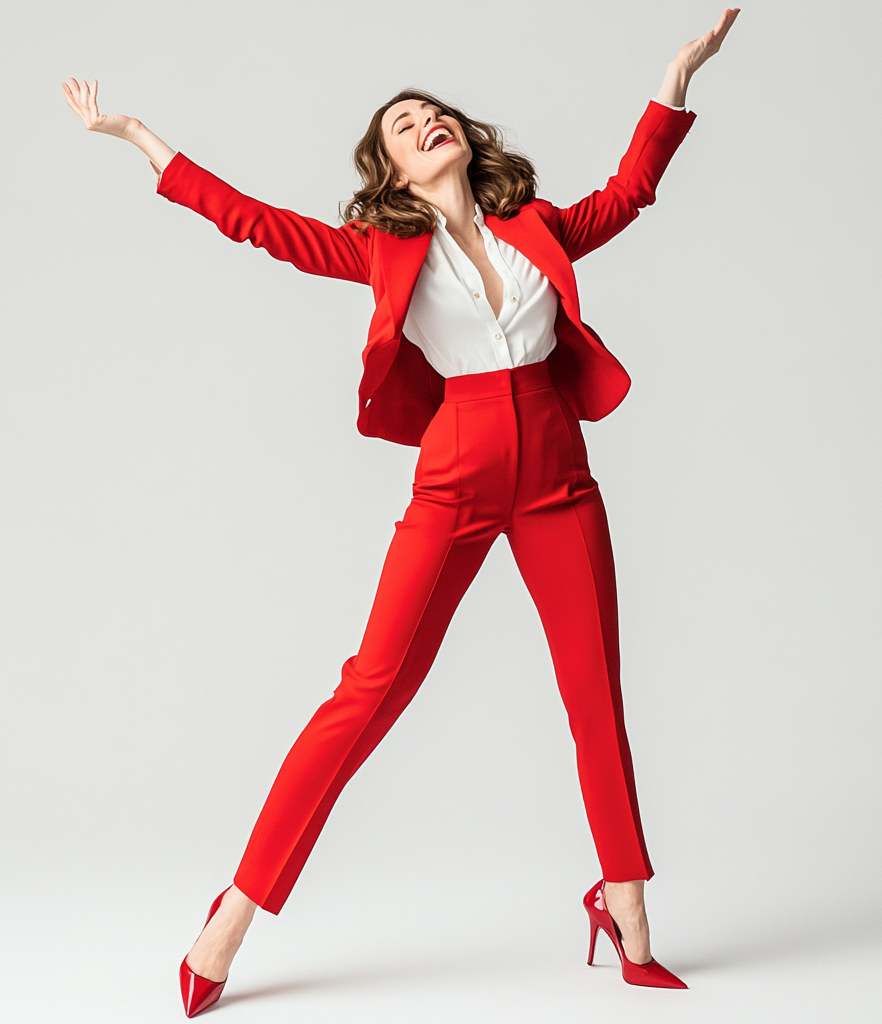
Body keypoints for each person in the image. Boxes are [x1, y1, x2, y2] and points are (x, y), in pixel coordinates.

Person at [63, 8, 739, 1016]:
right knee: (368, 691)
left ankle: (628, 908)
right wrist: (137, 138)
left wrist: (676, 78)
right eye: (401, 125)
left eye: (432, 112)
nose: (424, 121)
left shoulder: (536, 225)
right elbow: (255, 222)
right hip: (457, 470)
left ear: (461, 139)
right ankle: (233, 915)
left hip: (558, 470)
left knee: (593, 686)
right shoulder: (381, 248)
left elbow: (631, 191)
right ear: (391, 172)